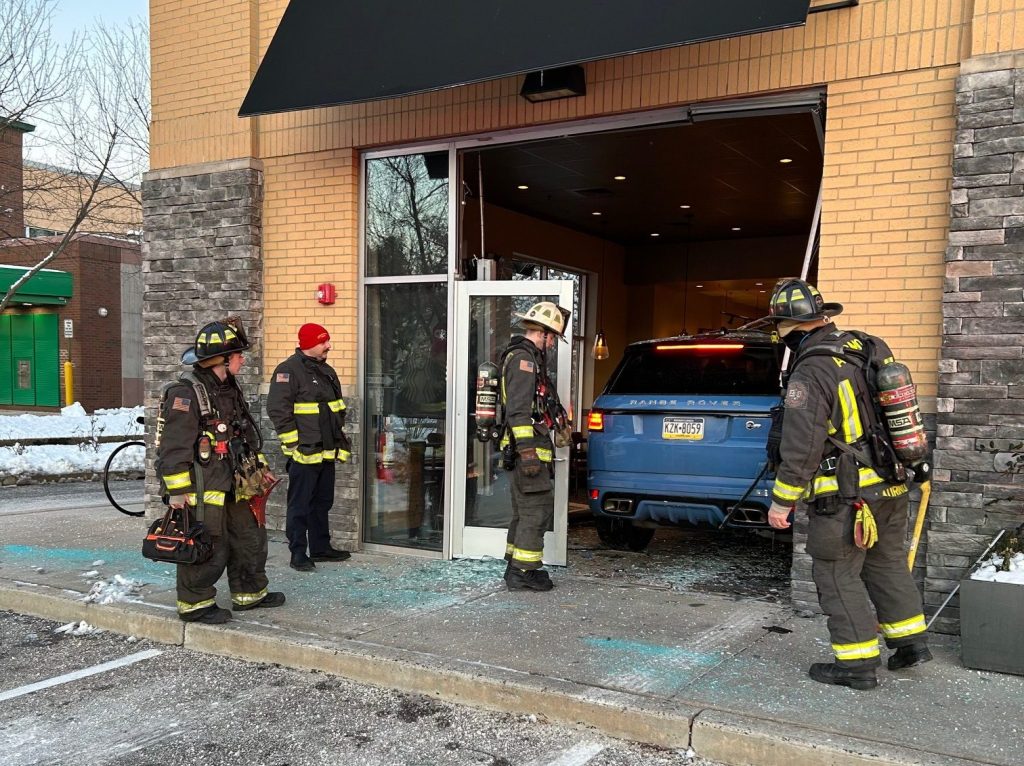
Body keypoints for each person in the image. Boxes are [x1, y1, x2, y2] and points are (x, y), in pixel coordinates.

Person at [762, 278, 931, 691]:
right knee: (887, 564)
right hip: (891, 484)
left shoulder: (812, 369)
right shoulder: (867, 347)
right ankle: (910, 643)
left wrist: (782, 502)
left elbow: (801, 446)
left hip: (846, 497)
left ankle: (855, 666)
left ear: (788, 329)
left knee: (838, 574)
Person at [156, 318, 285, 624]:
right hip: (205, 485)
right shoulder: (185, 394)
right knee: (207, 543)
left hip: (238, 482)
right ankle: (195, 603)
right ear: (222, 359)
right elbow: (172, 448)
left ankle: (250, 592)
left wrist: (259, 469)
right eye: (238, 355)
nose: (242, 359)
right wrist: (177, 491)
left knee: (249, 537)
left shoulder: (228, 388)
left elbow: (242, 435)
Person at [498, 301, 572, 592]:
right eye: (551, 336)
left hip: (528, 449)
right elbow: (517, 411)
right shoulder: (523, 361)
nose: (552, 342)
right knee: (535, 511)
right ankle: (523, 573)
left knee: (525, 510)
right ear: (541, 333)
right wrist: (528, 453)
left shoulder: (527, 359)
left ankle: (515, 566)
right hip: (528, 451)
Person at [267, 323, 352, 572]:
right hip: (304, 452)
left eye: (327, 340)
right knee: (300, 504)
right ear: (308, 344)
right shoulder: (287, 371)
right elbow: (278, 410)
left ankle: (320, 547)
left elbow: (335, 410)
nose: (329, 345)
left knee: (323, 501)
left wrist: (338, 442)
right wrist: (294, 444)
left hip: (325, 450)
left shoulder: (326, 371)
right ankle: (297, 553)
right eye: (323, 341)